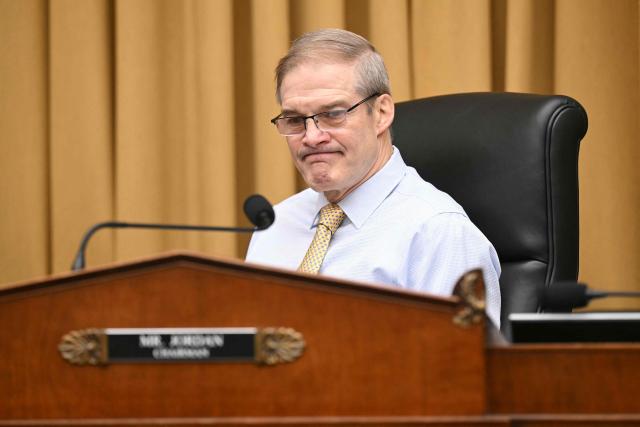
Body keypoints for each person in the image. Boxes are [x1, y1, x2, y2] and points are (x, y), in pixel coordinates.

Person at [245, 28, 501, 327]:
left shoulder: (439, 233)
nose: (312, 137)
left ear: (380, 113)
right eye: (294, 120)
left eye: (333, 114)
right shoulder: (276, 223)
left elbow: (461, 368)